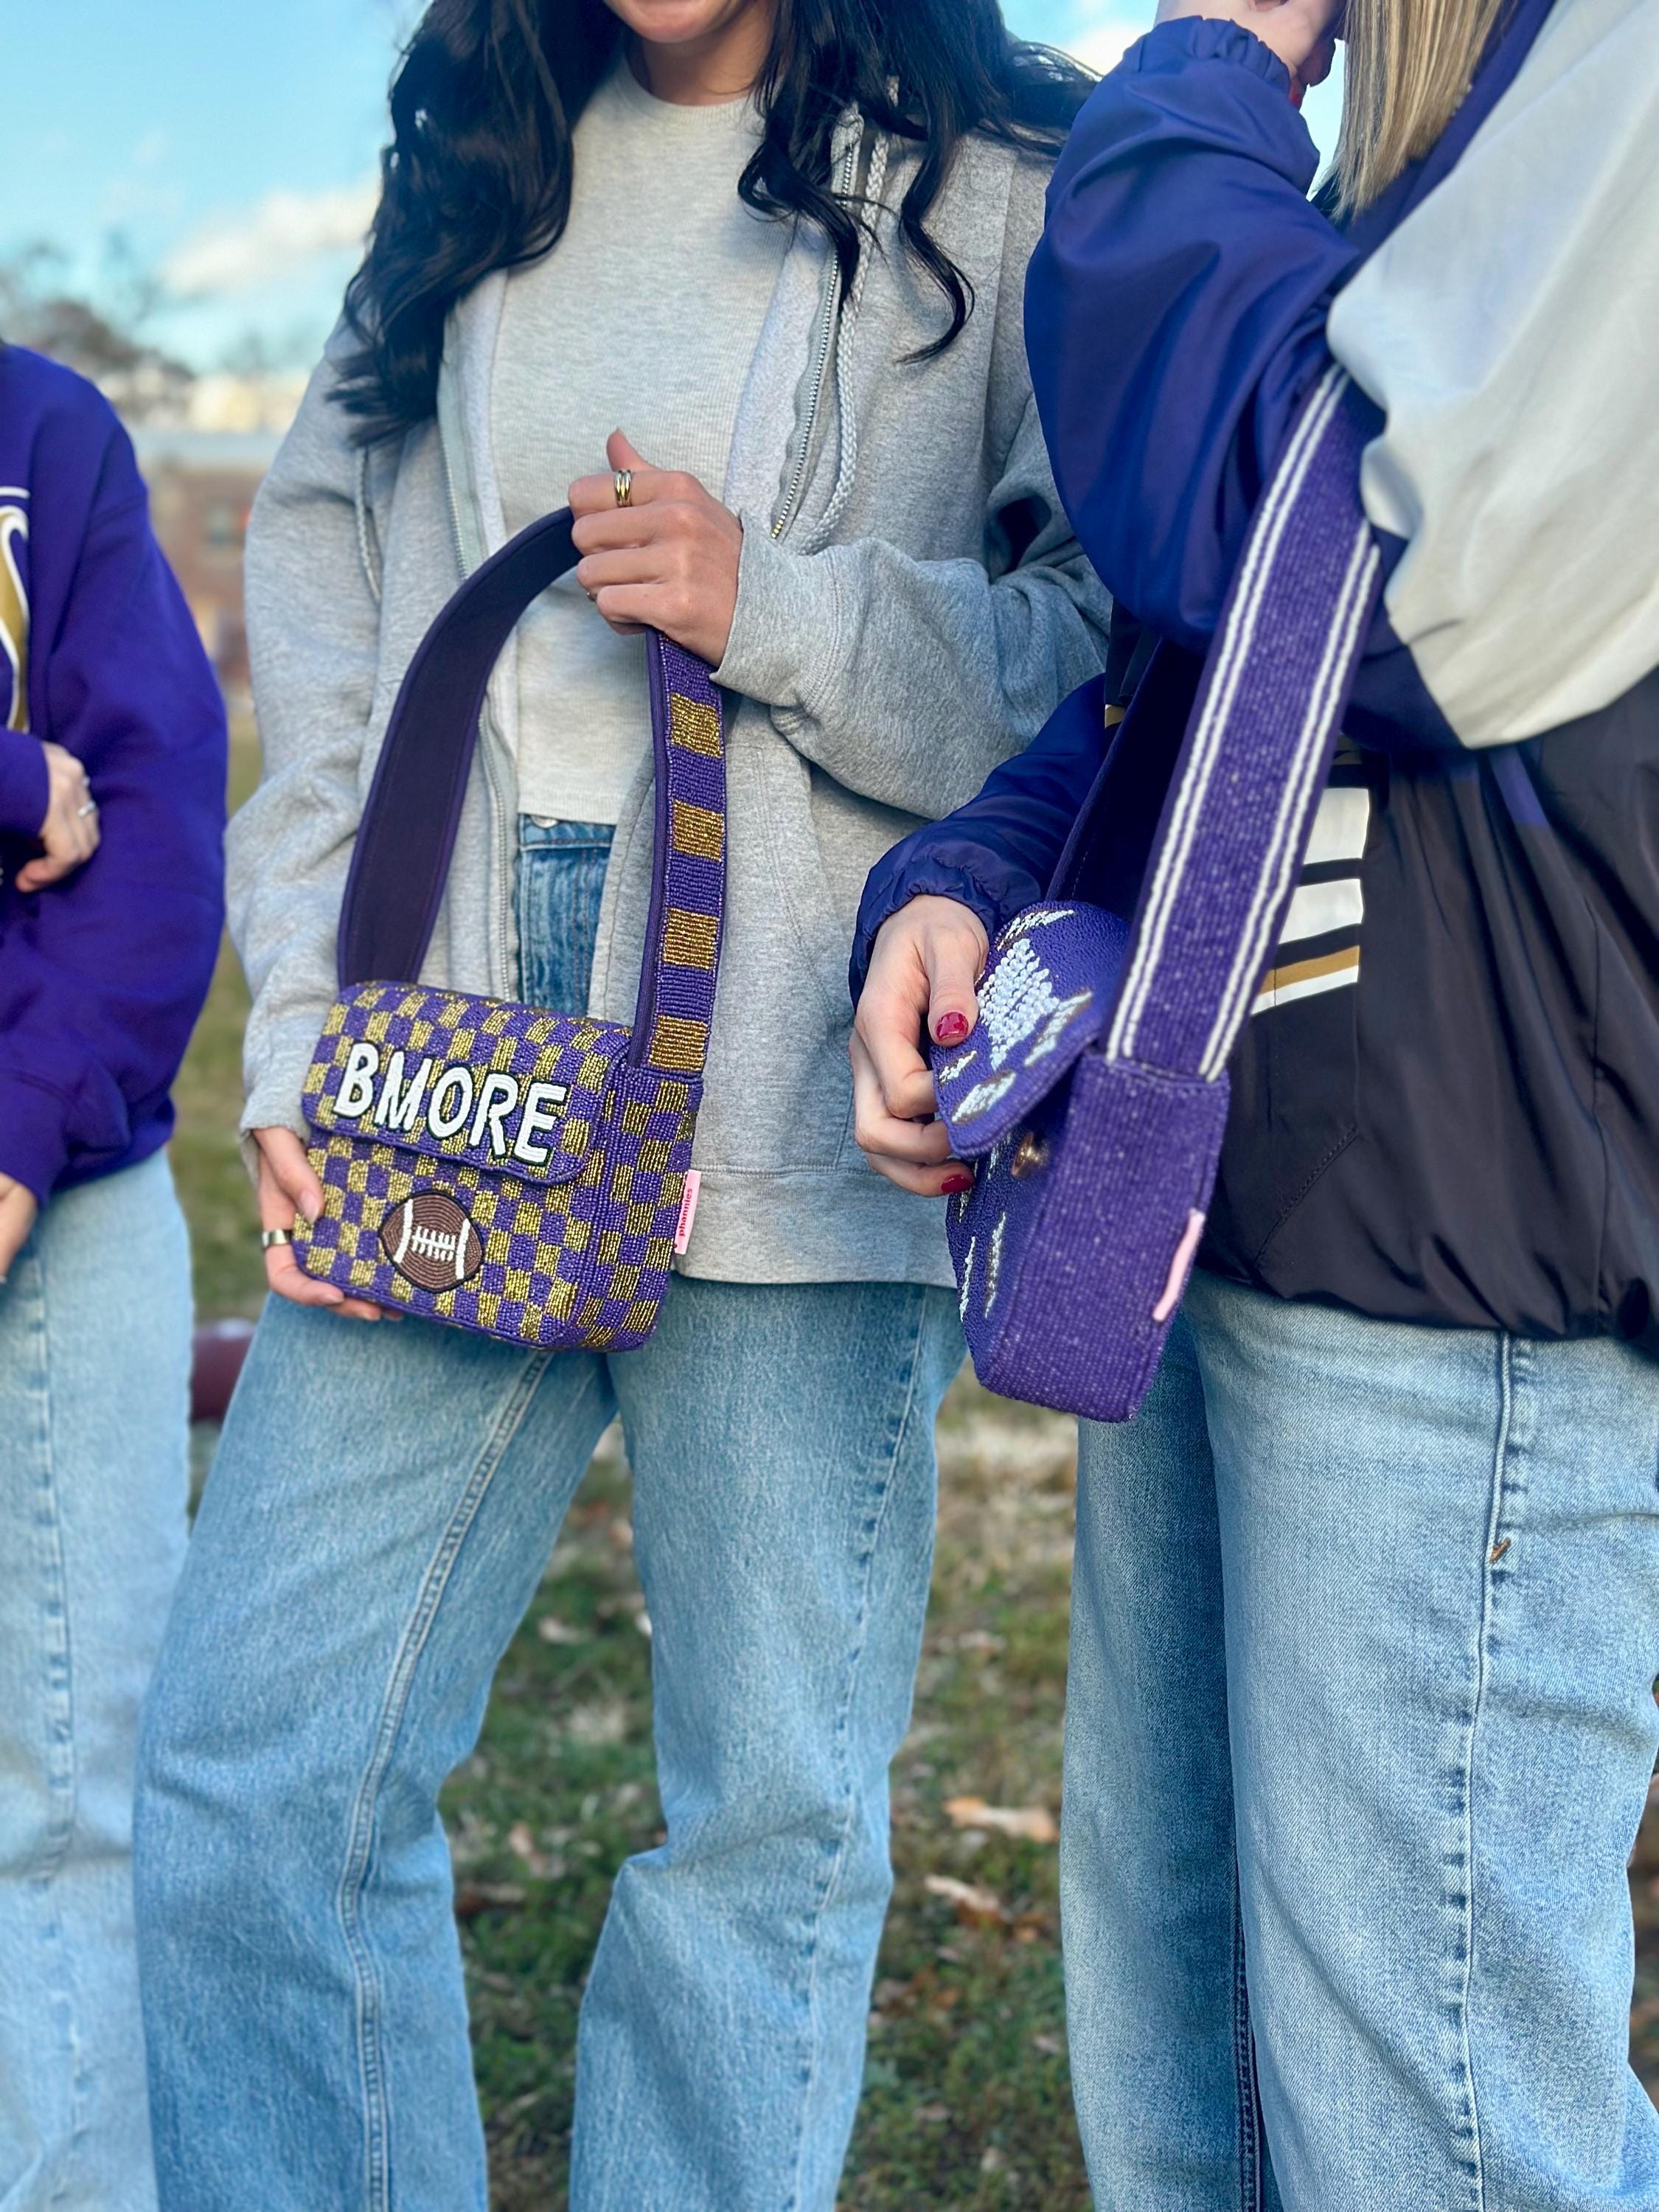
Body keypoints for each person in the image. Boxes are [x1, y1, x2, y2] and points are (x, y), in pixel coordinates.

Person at [132, 2, 1109, 2206]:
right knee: (251, 1774)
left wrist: (790, 608)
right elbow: (333, 625)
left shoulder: (1006, 178)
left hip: (789, 1042)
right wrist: (304, 1021)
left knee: (765, 1821)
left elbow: (1100, 651)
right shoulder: (474, 167)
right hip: (445, 1069)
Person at [851, 0, 1659, 2204]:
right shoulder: (1428, 159)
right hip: (1232, 1195)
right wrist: (972, 879)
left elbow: (1378, 566)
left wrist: (1207, 53)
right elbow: (1220, 652)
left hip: (1468, 1239)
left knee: (1444, 2133)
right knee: (1191, 2086)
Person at [0, 343, 226, 2211]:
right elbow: (53, 784)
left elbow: (151, 821)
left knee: (77, 1793)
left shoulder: (45, 435)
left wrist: (14, 1141)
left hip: (56, 1192)